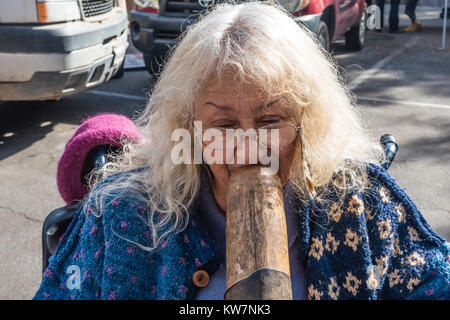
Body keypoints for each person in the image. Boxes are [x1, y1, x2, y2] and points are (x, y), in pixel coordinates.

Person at [34, 1, 449, 300]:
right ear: (190, 128)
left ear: (306, 121)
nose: (248, 147)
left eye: (271, 121)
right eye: (224, 125)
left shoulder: (359, 202)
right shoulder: (123, 215)